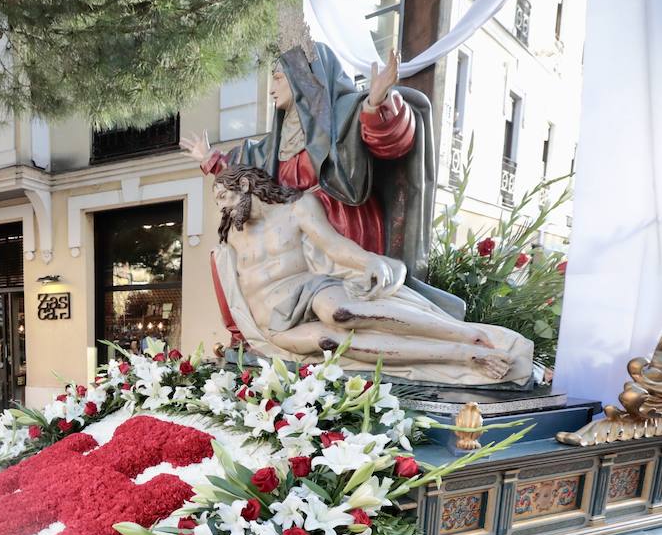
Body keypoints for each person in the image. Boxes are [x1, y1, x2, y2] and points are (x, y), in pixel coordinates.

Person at [182, 41, 462, 335]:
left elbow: (393, 142)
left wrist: (377, 104)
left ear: (303, 75)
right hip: (292, 233)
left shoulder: (344, 113)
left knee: (348, 314)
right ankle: (249, 338)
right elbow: (243, 175)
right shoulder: (273, 143)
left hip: (340, 224)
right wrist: (210, 159)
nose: (271, 88)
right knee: (226, 257)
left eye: (277, 77)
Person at [210, 164, 531, 383]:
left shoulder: (297, 208)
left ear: (245, 185)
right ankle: (462, 355)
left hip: (309, 288)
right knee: (330, 341)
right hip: (275, 325)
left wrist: (368, 263)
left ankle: (466, 334)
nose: (221, 207)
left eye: (223, 198)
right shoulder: (233, 235)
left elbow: (334, 246)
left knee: (342, 313)